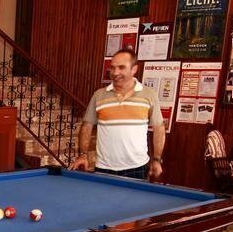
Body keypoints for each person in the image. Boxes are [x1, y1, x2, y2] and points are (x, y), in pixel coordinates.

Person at [69, 49, 165, 180]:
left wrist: (157, 159)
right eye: (112, 68)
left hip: (137, 168)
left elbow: (159, 128)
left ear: (134, 69)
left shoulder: (149, 95)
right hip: (103, 168)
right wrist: (83, 155)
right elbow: (87, 126)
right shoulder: (99, 95)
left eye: (121, 67)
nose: (115, 73)